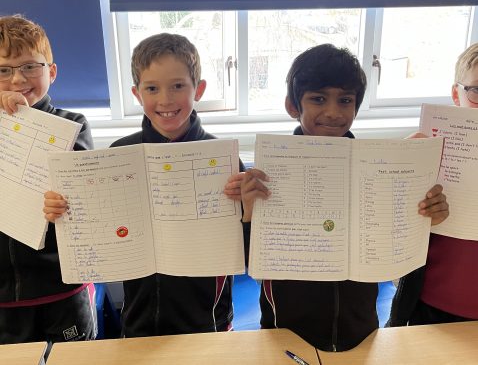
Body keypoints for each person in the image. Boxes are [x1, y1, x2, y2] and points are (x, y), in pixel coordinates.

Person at [225, 44, 449, 351]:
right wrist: (249, 214)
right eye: (318, 99)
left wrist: (427, 216)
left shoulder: (379, 171)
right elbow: (252, 263)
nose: (333, 112)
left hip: (362, 330)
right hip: (284, 331)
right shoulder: (268, 175)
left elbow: (396, 249)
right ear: (293, 106)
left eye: (345, 100)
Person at [44, 32, 247, 337]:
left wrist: (250, 212)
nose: (165, 100)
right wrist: (65, 211)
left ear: (199, 89)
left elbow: (242, 251)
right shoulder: (118, 155)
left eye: (178, 86)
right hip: (139, 323)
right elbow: (97, 229)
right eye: (152, 88)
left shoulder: (225, 162)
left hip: (208, 325)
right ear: (137, 94)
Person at [0, 15, 96, 345]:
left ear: (51, 72)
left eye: (30, 66)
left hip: (63, 289)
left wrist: (24, 120)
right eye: (3, 70)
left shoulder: (74, 125)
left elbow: (85, 193)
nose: (17, 80)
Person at [387, 42, 478, 327]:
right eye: (477, 91)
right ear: (456, 94)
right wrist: (398, 181)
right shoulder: (425, 151)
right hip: (427, 307)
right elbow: (392, 259)